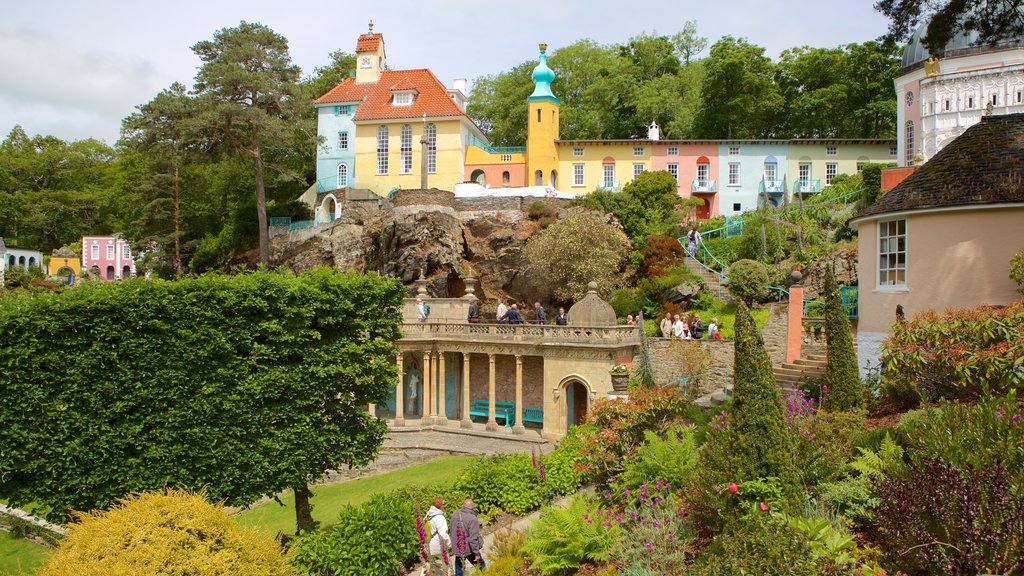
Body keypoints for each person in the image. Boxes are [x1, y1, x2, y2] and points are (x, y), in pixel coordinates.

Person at [450, 499, 485, 576]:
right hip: (468, 549)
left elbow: (451, 530)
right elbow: (473, 539)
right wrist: (476, 553)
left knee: (459, 570)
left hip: (457, 547)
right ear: (472, 507)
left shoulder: (455, 514)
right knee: (482, 566)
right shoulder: (472, 518)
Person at [426, 497, 451, 576]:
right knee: (445, 564)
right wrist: (450, 544)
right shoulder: (440, 517)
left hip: (428, 543)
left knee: (430, 566)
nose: (445, 506)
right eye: (443, 504)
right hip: (438, 544)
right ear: (440, 506)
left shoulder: (428, 515)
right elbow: (443, 534)